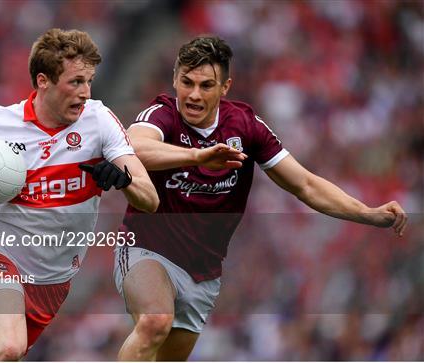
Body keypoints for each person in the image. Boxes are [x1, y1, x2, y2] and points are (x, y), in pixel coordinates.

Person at [114, 36, 408, 360]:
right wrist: (197, 157)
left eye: (206, 85)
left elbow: (305, 185)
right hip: (146, 249)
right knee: (155, 322)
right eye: (187, 82)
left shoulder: (247, 127)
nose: (194, 94)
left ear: (225, 87)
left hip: (203, 272)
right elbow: (133, 148)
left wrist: (367, 212)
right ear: (175, 80)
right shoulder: (161, 116)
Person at [0, 28, 158, 361]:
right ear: (43, 81)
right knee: (8, 347)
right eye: (75, 82)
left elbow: (149, 199)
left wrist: (122, 179)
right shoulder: (0, 124)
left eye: (89, 81)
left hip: (52, 284)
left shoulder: (99, 122)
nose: (85, 93)